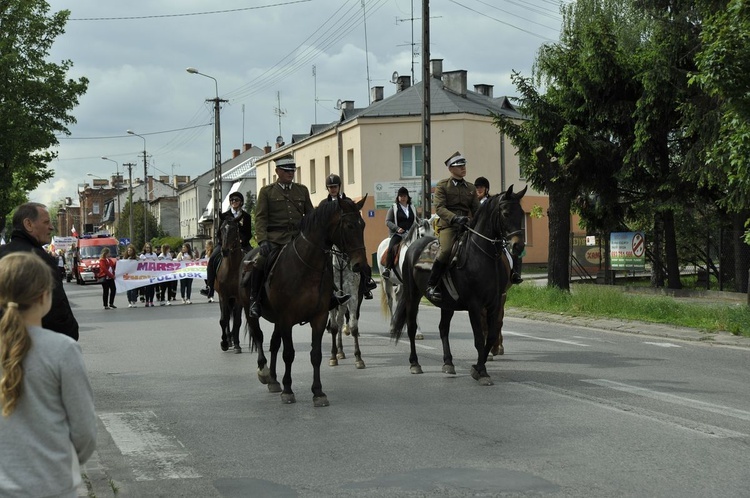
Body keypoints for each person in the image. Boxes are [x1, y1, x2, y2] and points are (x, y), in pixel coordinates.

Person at [0, 252, 97, 497]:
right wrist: (65, 460)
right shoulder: (63, 350)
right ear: (45, 295)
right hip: (52, 484)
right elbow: (84, 431)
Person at [249, 154, 337, 317]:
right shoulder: (267, 192)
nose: (290, 173)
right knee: (260, 261)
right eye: (286, 170)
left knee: (324, 257)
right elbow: (261, 218)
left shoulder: (301, 190)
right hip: (276, 238)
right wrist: (262, 240)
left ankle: (330, 294)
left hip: (298, 237)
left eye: (292, 170)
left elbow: (311, 216)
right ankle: (254, 299)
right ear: (277, 171)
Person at [0, 202, 79, 340]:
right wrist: (69, 335)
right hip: (35, 343)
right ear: (28, 224)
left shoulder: (2, 253)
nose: (51, 227)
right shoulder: (40, 259)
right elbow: (57, 308)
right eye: (46, 222)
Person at [425, 152, 480, 302]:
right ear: (451, 169)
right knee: (446, 250)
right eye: (459, 166)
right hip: (449, 226)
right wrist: (455, 218)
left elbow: (477, 209)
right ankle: (432, 285)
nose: (463, 168)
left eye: (464, 165)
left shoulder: (470, 187)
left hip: (467, 225)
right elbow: (440, 208)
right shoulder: (443, 186)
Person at [318, 173, 378, 300]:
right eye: (330, 187)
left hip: (346, 241)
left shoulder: (348, 202)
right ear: (327, 188)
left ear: (339, 187)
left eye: (335, 186)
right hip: (329, 242)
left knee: (363, 264)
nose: (333, 189)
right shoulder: (323, 204)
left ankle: (366, 284)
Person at [201, 192, 253, 298]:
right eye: (232, 200)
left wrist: (242, 241)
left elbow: (248, 233)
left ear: (241, 202)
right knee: (212, 260)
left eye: (236, 200)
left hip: (242, 245)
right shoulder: (224, 215)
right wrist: (224, 242)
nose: (234, 202)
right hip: (225, 244)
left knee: (254, 260)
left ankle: (254, 290)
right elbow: (219, 233)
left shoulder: (246, 216)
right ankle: (209, 287)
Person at [473, 176, 523, 284]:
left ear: (486, 189)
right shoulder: (473, 202)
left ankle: (514, 273)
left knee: (508, 251)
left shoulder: (491, 202)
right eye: (476, 188)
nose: (478, 190)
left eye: (481, 187)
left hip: (492, 235)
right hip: (475, 232)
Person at [382, 186, 419, 279]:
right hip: (398, 234)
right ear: (398, 197)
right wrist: (397, 228)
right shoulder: (393, 208)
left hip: (411, 234)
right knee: (391, 247)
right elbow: (388, 221)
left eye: (404, 196)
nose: (403, 198)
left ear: (407, 197)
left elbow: (417, 220)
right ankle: (387, 268)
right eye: (401, 196)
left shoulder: (412, 207)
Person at [139, 242, 158, 307]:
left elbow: (157, 263)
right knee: (147, 288)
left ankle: (151, 301)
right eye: (146, 247)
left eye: (149, 247)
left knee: (152, 288)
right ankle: (147, 301)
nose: (147, 249)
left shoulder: (154, 255)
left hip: (153, 274)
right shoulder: (142, 255)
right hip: (145, 274)